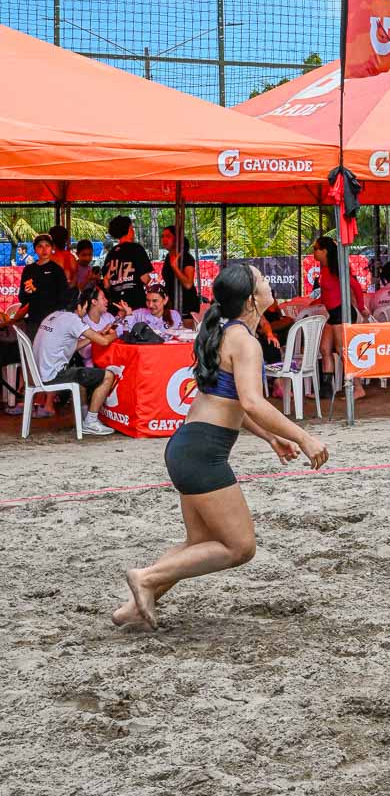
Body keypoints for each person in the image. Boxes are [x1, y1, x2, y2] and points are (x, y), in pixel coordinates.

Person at [115, 262, 329, 630]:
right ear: (251, 300)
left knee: (199, 542)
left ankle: (131, 608)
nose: (268, 282)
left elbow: (229, 403)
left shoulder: (226, 331)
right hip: (202, 454)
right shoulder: (245, 341)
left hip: (188, 446)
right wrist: (304, 437)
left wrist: (270, 437)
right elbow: (252, 403)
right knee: (240, 547)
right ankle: (146, 578)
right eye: (262, 280)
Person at [33, 285, 119, 436]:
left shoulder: (54, 316)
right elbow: (105, 342)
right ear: (81, 305)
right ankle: (91, 421)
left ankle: (84, 420)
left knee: (79, 377)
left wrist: (97, 334)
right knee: (108, 376)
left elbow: (73, 347)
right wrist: (116, 334)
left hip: (40, 373)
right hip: (54, 375)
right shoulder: (72, 320)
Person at [311, 237, 367, 399]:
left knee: (343, 351)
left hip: (342, 312)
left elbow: (355, 286)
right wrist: (316, 302)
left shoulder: (337, 268)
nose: (313, 252)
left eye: (315, 249)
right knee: (324, 349)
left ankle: (358, 387)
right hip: (333, 313)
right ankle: (326, 390)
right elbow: (328, 292)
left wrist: (361, 307)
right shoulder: (324, 269)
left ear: (324, 251)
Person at [13, 234, 68, 339]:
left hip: (53, 320)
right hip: (34, 320)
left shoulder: (57, 270)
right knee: (34, 347)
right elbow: (22, 298)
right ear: (35, 249)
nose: (44, 249)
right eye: (40, 246)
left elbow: (64, 297)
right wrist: (27, 292)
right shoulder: (28, 270)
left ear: (52, 248)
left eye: (47, 245)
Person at [102, 215, 153, 311]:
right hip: (135, 304)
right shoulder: (136, 249)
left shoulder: (111, 253)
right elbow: (145, 278)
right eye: (132, 228)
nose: (133, 231)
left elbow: (106, 284)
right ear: (129, 230)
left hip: (116, 305)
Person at [160, 226, 201, 318]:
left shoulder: (186, 257)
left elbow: (188, 284)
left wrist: (175, 267)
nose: (164, 239)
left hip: (186, 304)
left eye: (168, 236)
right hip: (171, 304)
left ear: (176, 239)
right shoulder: (168, 257)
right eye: (162, 236)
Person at [79, 285, 116, 365]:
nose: (107, 301)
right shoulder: (82, 322)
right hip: (92, 366)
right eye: (103, 298)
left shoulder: (108, 316)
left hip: (111, 360)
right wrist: (100, 336)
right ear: (94, 302)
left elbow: (120, 335)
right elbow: (85, 354)